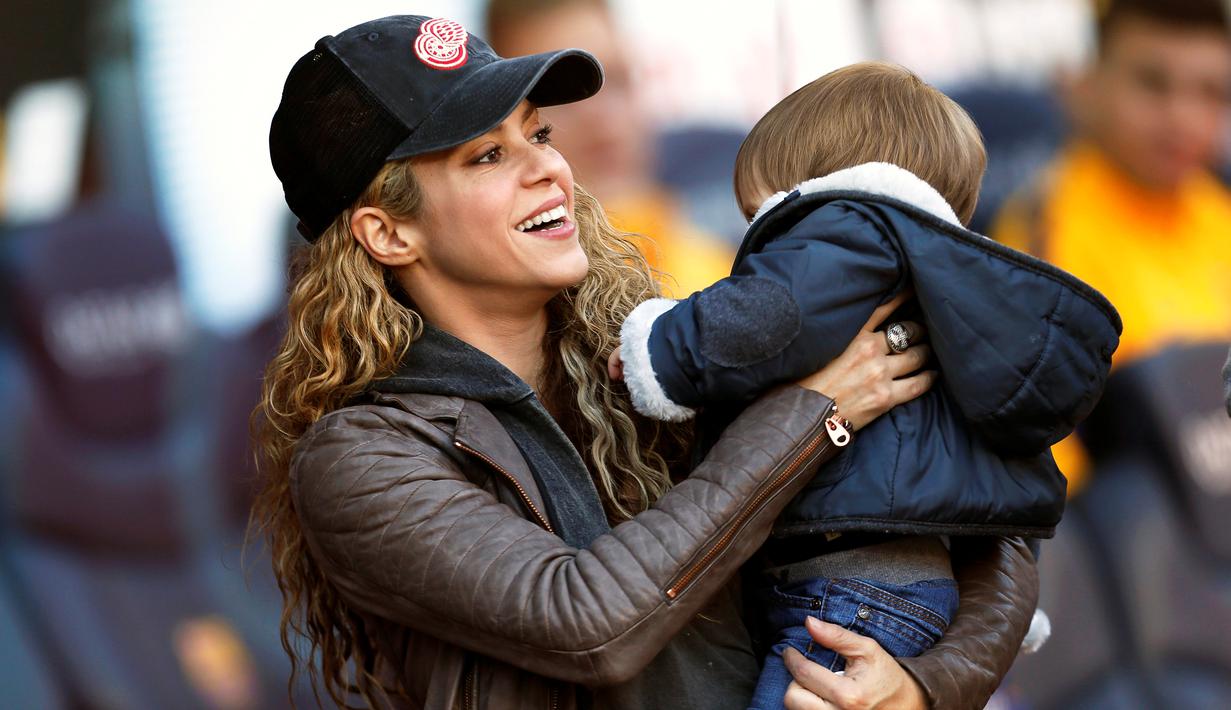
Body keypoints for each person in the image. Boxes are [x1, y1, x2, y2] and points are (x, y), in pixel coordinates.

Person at [255, 15, 1040, 709]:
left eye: (538, 134)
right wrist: (815, 417)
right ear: (387, 233)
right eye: (487, 156)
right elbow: (585, 622)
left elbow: (990, 525)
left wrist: (925, 688)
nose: (548, 169)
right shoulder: (360, 459)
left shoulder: (651, 353)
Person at [608, 61, 1120, 709]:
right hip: (904, 588)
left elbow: (771, 315)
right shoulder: (950, 310)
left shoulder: (843, 230)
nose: (758, 245)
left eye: (758, 214)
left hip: (846, 594)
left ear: (811, 183)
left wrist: (659, 347)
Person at [992, 0, 1231, 490]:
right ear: (1086, 84)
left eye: (1210, 91)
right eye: (1152, 82)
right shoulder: (1043, 239)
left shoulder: (1217, 213)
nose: (1183, 116)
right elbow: (1047, 479)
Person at [483, 0, 736, 297]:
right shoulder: (506, 311)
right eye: (563, 95)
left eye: (615, 80)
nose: (600, 115)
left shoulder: (722, 267)